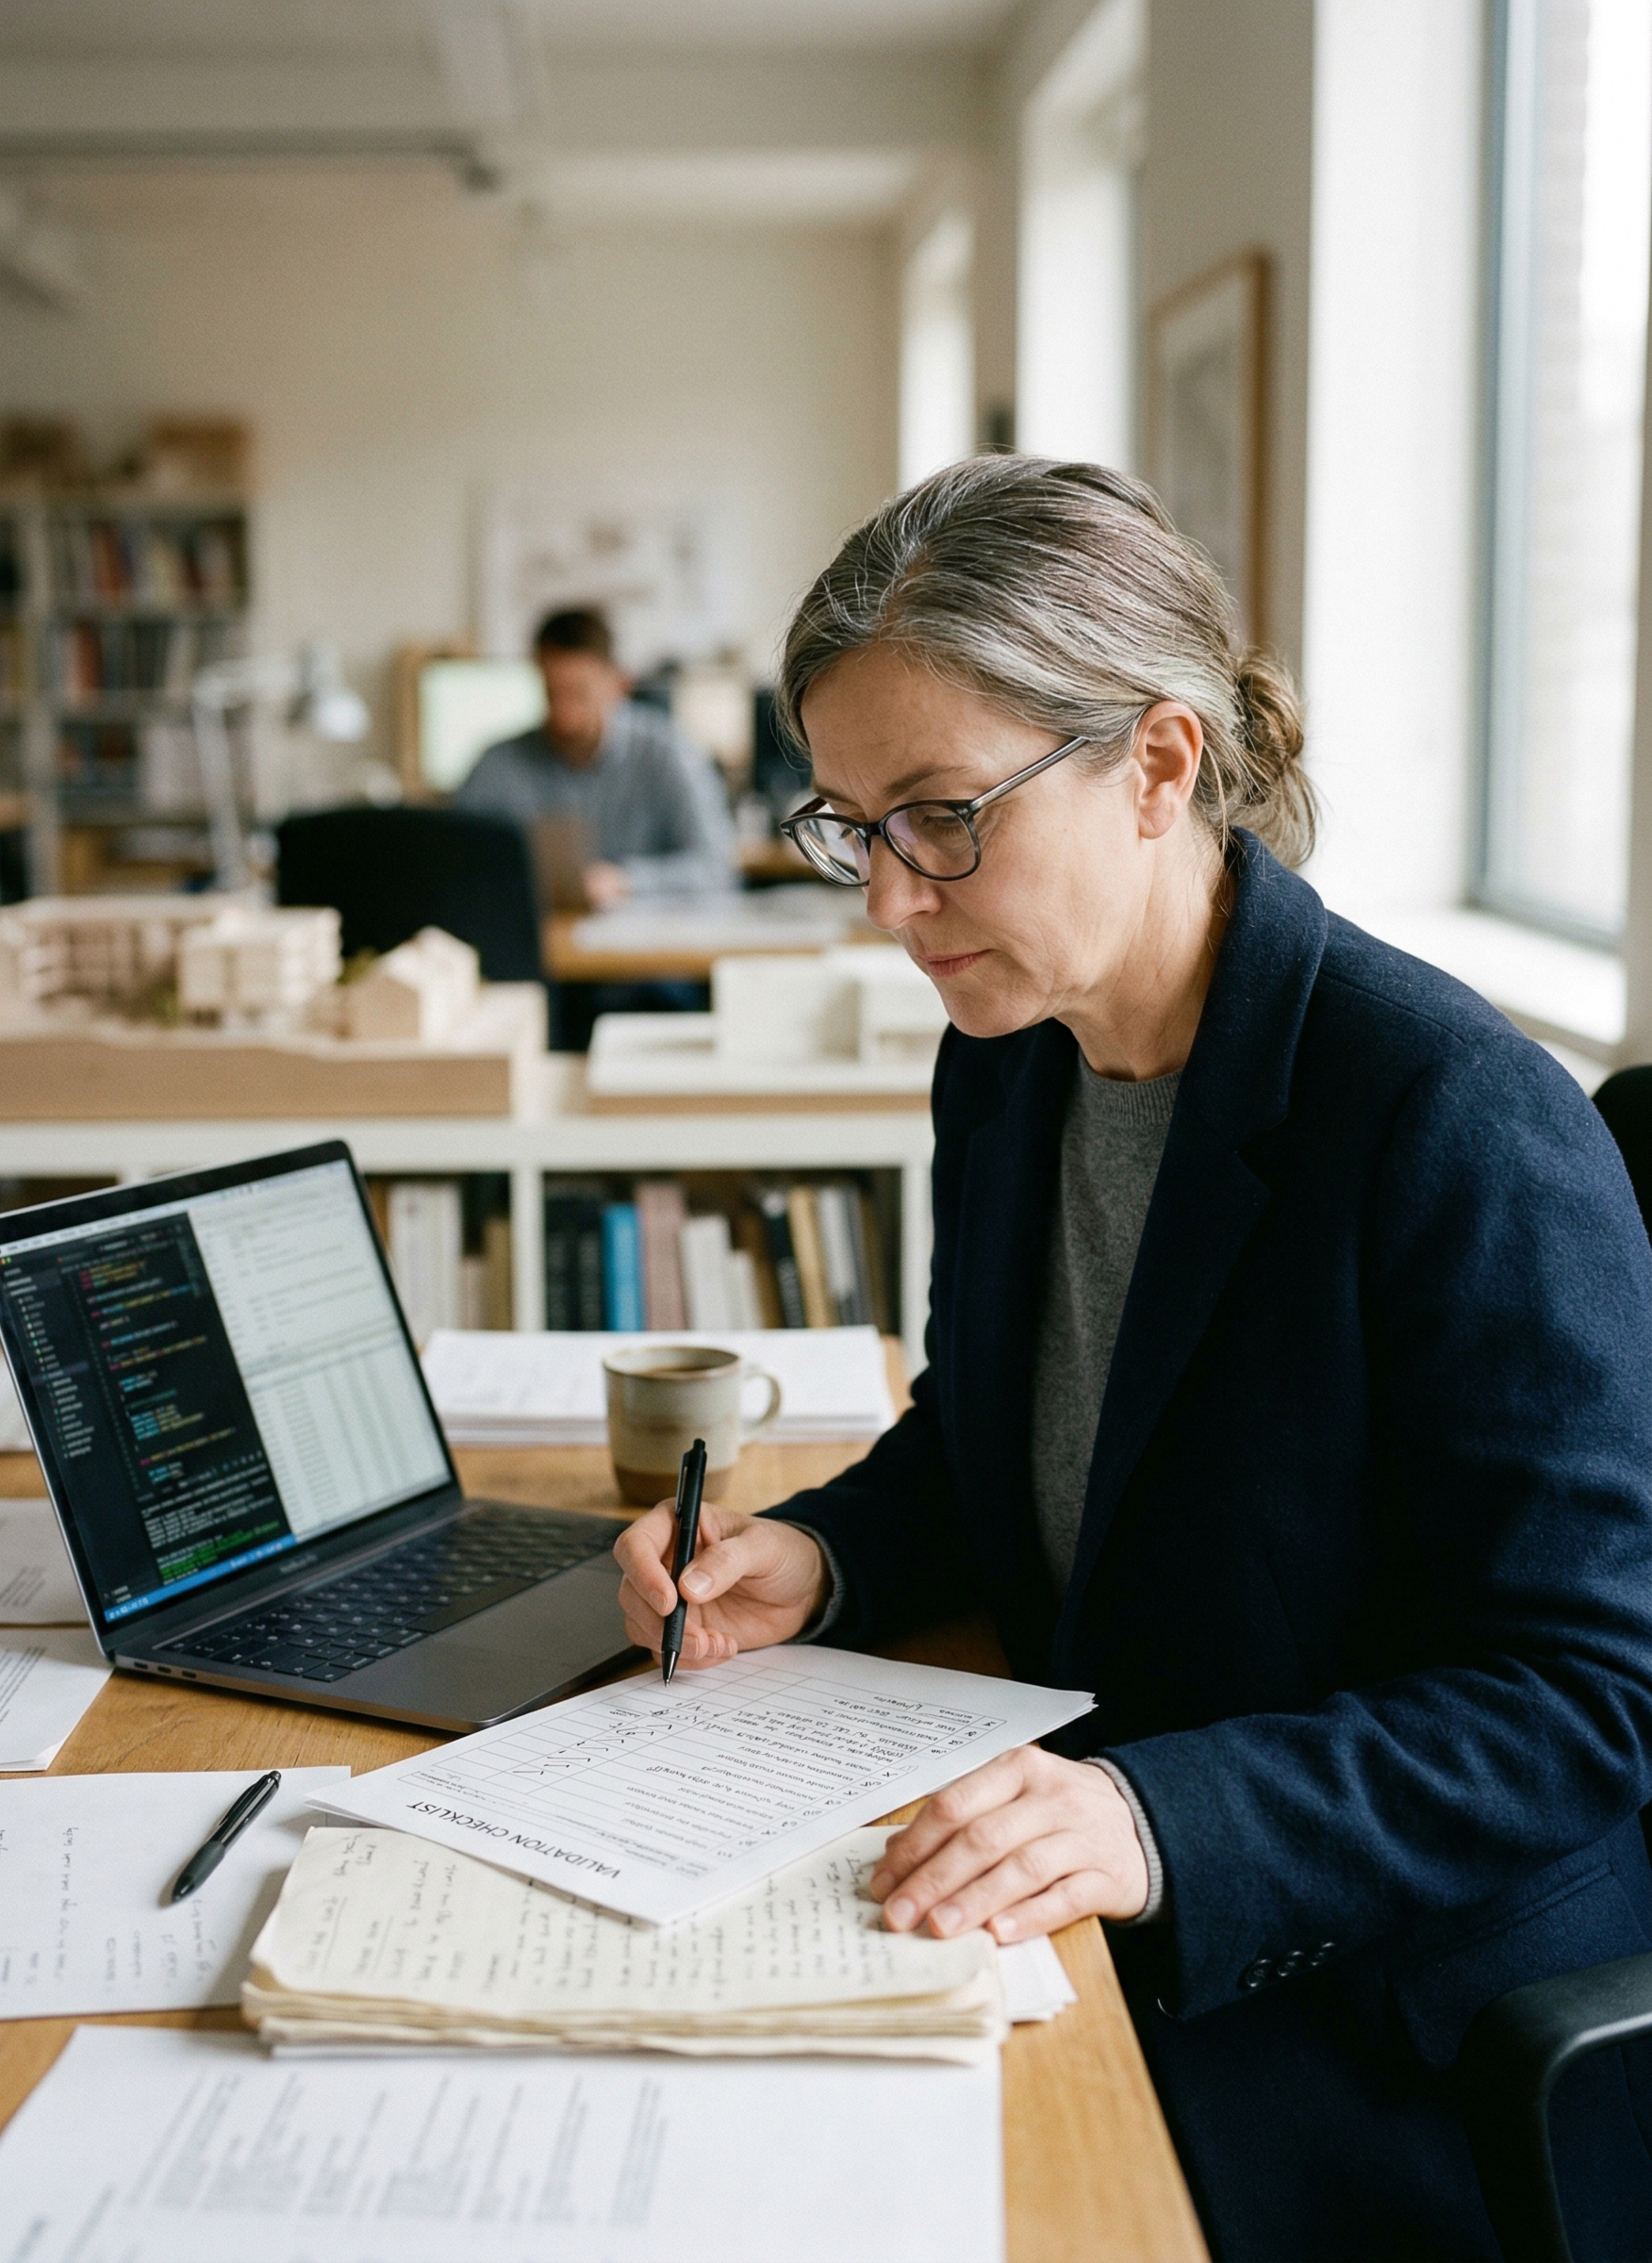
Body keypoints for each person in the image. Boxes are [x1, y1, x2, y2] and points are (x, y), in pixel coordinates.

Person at [613, 456, 1652, 2262]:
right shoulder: (1007, 1039)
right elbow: (997, 1431)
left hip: (1375, 2004)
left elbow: (1583, 1698)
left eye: (939, 815)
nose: (887, 901)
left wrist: (1154, 1818)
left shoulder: (1451, 1123)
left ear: (1159, 766)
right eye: (851, 825)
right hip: (1072, 1863)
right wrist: (826, 1551)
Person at [454, 605, 735, 907]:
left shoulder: (668, 753)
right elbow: (451, 863)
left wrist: (627, 881)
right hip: (533, 943)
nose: (565, 715)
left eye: (579, 694)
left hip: (641, 946)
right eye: (552, 693)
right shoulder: (499, 764)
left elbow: (717, 868)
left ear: (618, 684)